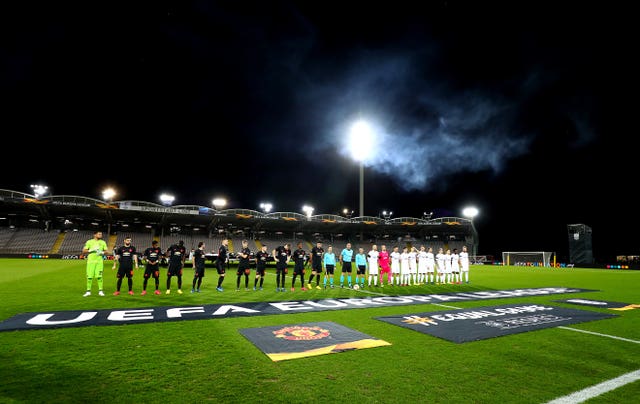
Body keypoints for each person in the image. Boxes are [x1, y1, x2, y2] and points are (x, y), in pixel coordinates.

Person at [81, 230, 108, 297]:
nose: (100, 235)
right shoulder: (89, 242)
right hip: (90, 262)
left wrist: (102, 252)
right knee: (89, 277)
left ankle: (100, 291)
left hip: (99, 262)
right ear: (95, 235)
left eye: (101, 234)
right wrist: (91, 250)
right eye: (99, 234)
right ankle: (88, 291)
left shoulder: (103, 242)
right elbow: (84, 251)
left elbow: (107, 251)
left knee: (99, 277)